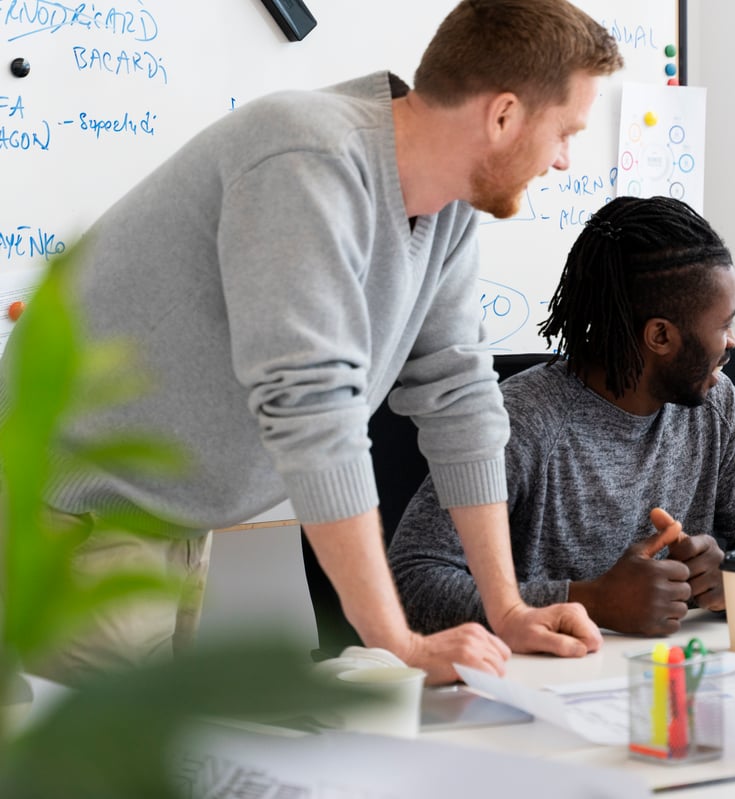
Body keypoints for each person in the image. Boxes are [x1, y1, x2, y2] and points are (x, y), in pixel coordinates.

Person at [0, 0, 624, 686]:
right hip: (77, 510)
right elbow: (311, 408)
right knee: (113, 775)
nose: (564, 160)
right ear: (503, 115)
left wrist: (506, 607)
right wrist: (398, 643)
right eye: (564, 132)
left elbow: (460, 396)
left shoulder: (445, 209)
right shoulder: (305, 156)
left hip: (169, 513)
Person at [388, 196, 735, 637]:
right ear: (661, 336)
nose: (732, 342)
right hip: (539, 685)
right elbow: (411, 584)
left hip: (673, 678)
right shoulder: (522, 420)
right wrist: (589, 600)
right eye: (724, 325)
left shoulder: (716, 405)